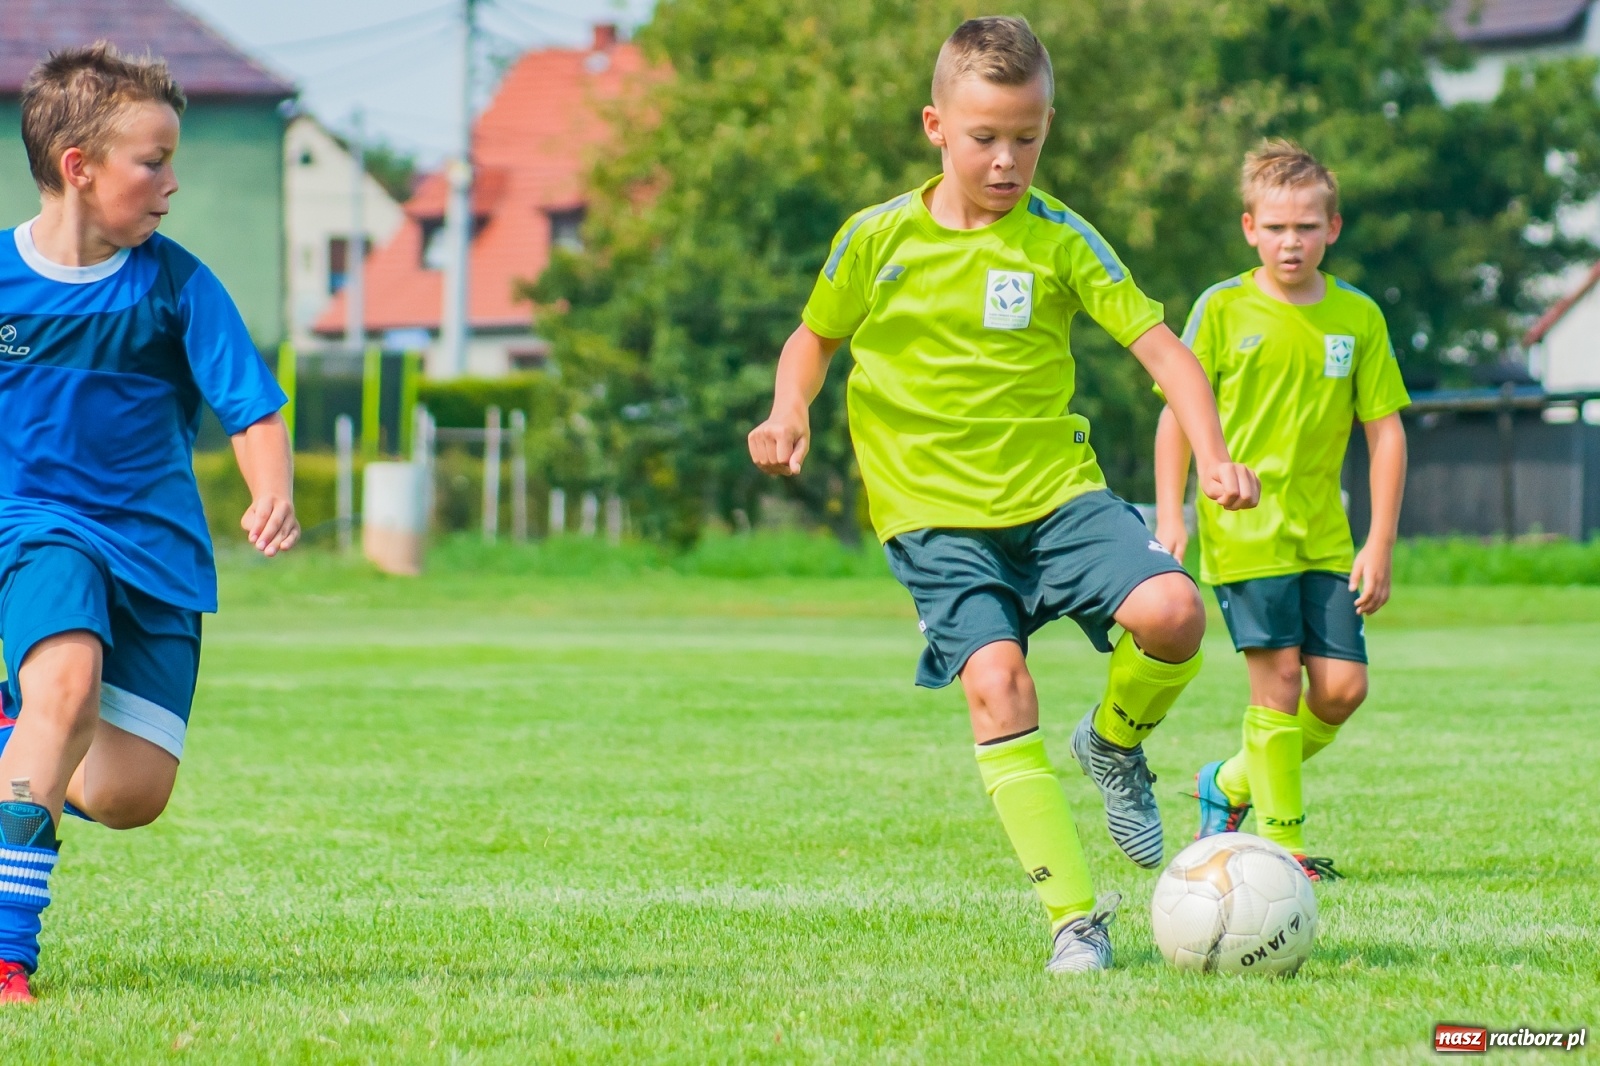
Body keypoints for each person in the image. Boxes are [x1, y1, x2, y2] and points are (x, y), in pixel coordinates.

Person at [748, 16, 1259, 972]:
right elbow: (814, 337)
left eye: (1027, 137)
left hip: (1058, 496)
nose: (1006, 159)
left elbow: (1165, 353)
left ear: (1048, 125)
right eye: (985, 137)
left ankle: (1112, 745)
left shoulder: (1060, 238)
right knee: (997, 682)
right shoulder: (876, 238)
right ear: (937, 125)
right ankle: (1075, 919)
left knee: (1176, 613)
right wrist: (789, 412)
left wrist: (1216, 453)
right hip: (935, 517)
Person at [0, 43, 299, 1003]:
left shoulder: (174, 285)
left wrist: (270, 488)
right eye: (154, 160)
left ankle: (15, 733)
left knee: (130, 795)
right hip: (37, 531)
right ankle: (9, 952)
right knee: (67, 683)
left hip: (157, 556)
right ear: (79, 166)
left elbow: (250, 406)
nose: (174, 183)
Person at [1153, 140, 1409, 882]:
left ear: (1333, 227)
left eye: (1304, 227)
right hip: (1244, 534)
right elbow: (1177, 412)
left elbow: (1384, 430)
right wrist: (1175, 514)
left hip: (1325, 537)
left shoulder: (1358, 317)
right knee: (1280, 685)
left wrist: (1379, 541)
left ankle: (1228, 784)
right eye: (1274, 227)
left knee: (1341, 691)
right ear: (1248, 228)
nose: (1289, 242)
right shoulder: (1223, 307)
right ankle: (1284, 849)